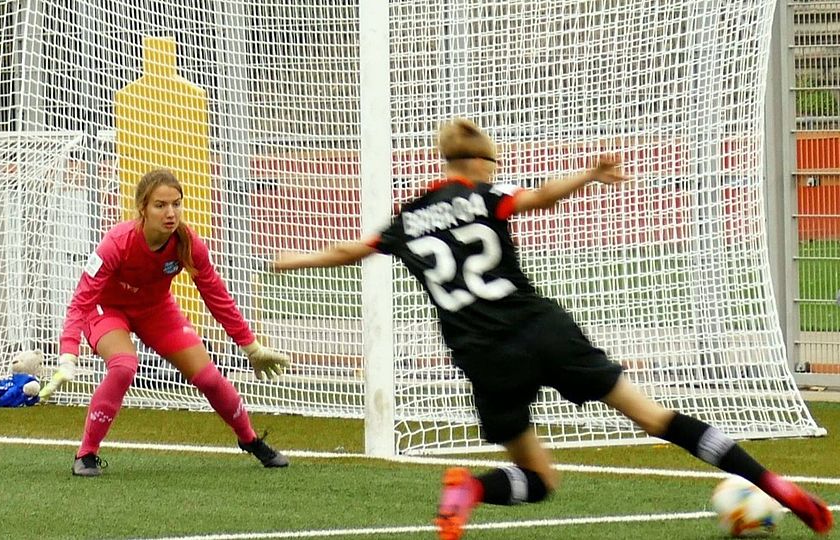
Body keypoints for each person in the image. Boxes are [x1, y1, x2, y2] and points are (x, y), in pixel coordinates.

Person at [271, 118, 833, 539]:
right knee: (654, 418)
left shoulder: (409, 218)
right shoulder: (486, 196)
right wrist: (588, 174)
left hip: (483, 354)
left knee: (539, 479)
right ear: (481, 163)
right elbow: (539, 197)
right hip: (541, 329)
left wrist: (291, 260)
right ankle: (773, 485)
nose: (496, 169)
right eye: (494, 162)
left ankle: (470, 488)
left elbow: (349, 251)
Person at [41, 168, 291, 476]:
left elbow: (216, 295)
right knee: (123, 366)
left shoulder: (188, 243)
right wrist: (68, 355)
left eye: (176, 204)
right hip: (108, 310)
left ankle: (250, 440)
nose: (170, 213)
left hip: (156, 310)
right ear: (142, 208)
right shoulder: (116, 243)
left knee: (209, 378)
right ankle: (86, 454)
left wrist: (250, 346)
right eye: (160, 205)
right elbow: (81, 301)